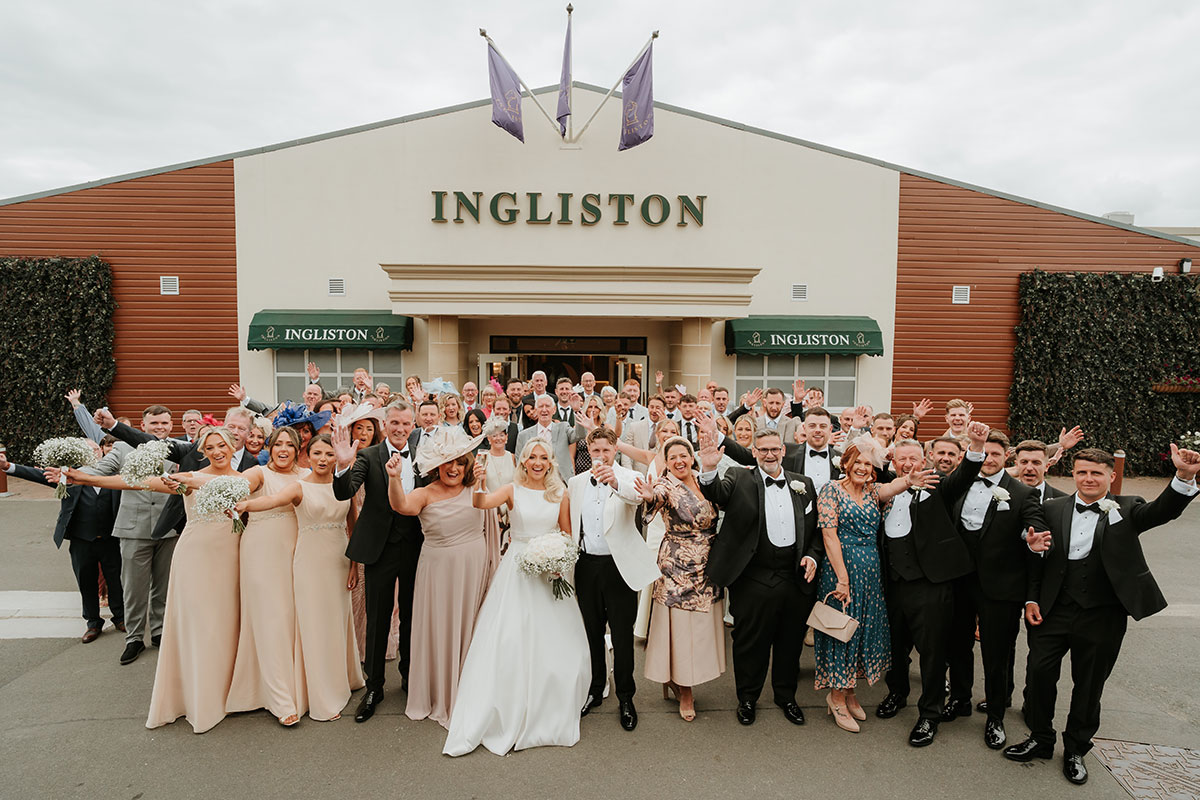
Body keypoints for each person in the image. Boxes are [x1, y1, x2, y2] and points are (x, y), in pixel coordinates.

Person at [1006, 445, 1200, 786]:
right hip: (1053, 610)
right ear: (1073, 474)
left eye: (1097, 473)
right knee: (1038, 675)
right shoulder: (1051, 508)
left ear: (1112, 476)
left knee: (1089, 685)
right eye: (1082, 472)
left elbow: (1163, 511)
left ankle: (1076, 750)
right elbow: (1036, 557)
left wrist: (1183, 476)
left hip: (1103, 615)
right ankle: (1041, 737)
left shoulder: (1128, 508)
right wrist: (1031, 599)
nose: (1088, 478)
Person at [443, 440, 590, 756]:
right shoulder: (511, 490)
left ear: (550, 462)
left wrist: (558, 563)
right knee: (510, 637)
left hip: (549, 571)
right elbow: (481, 503)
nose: (537, 463)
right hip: (517, 569)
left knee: (556, 640)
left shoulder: (560, 494)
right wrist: (480, 481)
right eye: (531, 458)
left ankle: (550, 701)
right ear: (522, 461)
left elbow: (566, 534)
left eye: (543, 458)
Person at [696, 429, 823, 728]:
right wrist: (710, 468)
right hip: (752, 576)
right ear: (753, 452)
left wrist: (814, 556)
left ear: (783, 451)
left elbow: (816, 530)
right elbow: (716, 494)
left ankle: (786, 696)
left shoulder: (803, 484)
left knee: (790, 642)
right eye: (763, 449)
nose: (769, 454)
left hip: (794, 577)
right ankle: (748, 698)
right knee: (749, 642)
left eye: (774, 449)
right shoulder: (740, 479)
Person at [873, 424, 989, 747]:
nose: (907, 465)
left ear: (925, 459)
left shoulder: (940, 487)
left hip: (930, 586)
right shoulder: (885, 489)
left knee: (933, 654)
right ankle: (897, 693)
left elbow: (963, 476)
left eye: (913, 459)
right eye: (901, 460)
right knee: (896, 649)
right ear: (893, 463)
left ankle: (930, 714)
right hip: (892, 585)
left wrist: (977, 445)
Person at [813, 437, 930, 733]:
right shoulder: (831, 490)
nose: (862, 468)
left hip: (871, 572)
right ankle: (836, 696)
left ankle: (850, 690)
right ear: (846, 463)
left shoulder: (873, 491)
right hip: (842, 569)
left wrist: (908, 479)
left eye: (868, 463)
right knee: (842, 634)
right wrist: (842, 578)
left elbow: (893, 487)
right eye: (858, 462)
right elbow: (830, 537)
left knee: (863, 630)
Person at [386, 426, 498, 728]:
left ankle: (470, 689)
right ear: (437, 466)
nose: (453, 468)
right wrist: (394, 479)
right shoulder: (424, 493)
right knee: (442, 628)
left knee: (473, 628)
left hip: (474, 567)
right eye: (448, 462)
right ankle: (441, 692)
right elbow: (400, 506)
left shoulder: (477, 489)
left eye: (459, 462)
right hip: (437, 572)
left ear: (467, 465)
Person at [945, 430, 1048, 750]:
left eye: (995, 455)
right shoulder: (958, 483)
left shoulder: (1020, 493)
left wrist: (1034, 541)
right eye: (984, 454)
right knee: (957, 644)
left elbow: (1035, 524)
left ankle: (996, 717)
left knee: (996, 652)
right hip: (958, 580)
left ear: (1008, 458)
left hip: (1000, 586)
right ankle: (960, 699)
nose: (988, 460)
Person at [143, 427, 244, 733]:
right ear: (203, 450)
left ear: (231, 446)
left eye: (221, 445)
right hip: (195, 558)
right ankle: (200, 698)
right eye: (210, 447)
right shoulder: (188, 478)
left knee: (227, 624)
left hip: (233, 557)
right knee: (200, 625)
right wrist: (82, 478)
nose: (217, 451)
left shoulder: (245, 477)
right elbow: (140, 483)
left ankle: (230, 692)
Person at [560, 428, 659, 731]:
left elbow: (634, 500)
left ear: (615, 449)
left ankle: (626, 697)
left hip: (619, 567)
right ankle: (595, 688)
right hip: (587, 565)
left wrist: (615, 482)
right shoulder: (576, 483)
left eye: (606, 450)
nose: (601, 456)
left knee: (621, 634)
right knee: (591, 631)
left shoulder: (628, 479)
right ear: (588, 449)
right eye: (596, 450)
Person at [332, 402, 424, 723]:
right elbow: (345, 492)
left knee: (413, 617)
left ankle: (410, 677)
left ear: (413, 425)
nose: (400, 429)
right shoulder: (368, 457)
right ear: (385, 424)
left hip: (417, 548)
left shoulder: (422, 457)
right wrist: (342, 465)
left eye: (406, 423)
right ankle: (374, 686)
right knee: (377, 619)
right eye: (395, 423)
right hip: (379, 550)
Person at [68, 402, 172, 664]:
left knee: (163, 587)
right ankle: (134, 638)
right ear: (143, 424)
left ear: (172, 425)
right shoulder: (123, 448)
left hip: (168, 528)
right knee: (134, 587)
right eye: (154, 423)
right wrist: (70, 474)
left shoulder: (177, 449)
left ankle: (159, 632)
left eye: (164, 423)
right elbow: (99, 470)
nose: (159, 427)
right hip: (132, 528)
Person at [635, 436, 727, 722]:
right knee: (681, 628)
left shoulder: (705, 479)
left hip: (709, 563)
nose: (679, 461)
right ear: (666, 461)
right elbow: (655, 499)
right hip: (677, 565)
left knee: (700, 629)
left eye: (683, 455)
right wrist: (650, 497)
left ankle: (684, 678)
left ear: (692, 457)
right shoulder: (665, 485)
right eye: (672, 456)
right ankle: (684, 690)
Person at [224, 427, 308, 726]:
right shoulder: (258, 473)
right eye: (277, 444)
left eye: (289, 444)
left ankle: (298, 687)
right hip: (260, 552)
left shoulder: (307, 475)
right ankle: (279, 698)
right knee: (268, 618)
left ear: (298, 448)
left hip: (296, 552)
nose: (283, 449)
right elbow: (233, 486)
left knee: (291, 619)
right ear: (268, 448)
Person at [3, 451, 124, 644]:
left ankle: (120, 617)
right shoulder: (69, 477)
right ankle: (93, 622)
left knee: (116, 579)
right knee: (86, 581)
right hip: (81, 540)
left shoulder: (116, 479)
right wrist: (8, 466)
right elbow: (39, 475)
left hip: (111, 539)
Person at [514, 395, 579, 478]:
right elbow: (520, 462)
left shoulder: (564, 428)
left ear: (554, 409)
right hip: (534, 481)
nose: (544, 410)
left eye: (547, 406)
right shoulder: (523, 435)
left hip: (561, 480)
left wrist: (577, 411)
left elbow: (579, 435)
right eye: (541, 406)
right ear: (536, 411)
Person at [574, 396, 606, 474]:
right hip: (581, 470)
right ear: (586, 409)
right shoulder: (578, 428)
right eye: (590, 407)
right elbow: (572, 455)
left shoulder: (606, 428)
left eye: (596, 407)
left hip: (601, 469)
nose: (593, 410)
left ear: (600, 410)